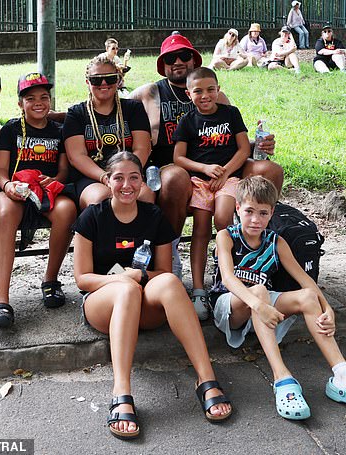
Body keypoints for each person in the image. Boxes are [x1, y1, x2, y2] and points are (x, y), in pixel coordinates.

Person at [73, 151, 232, 440]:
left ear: (143, 182)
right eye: (118, 178)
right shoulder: (92, 216)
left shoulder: (153, 216)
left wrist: (140, 276)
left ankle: (206, 378)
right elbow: (82, 279)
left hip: (143, 300)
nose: (127, 185)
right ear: (107, 181)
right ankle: (121, 392)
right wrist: (123, 278)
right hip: (103, 303)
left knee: (171, 282)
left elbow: (162, 270)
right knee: (125, 288)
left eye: (134, 178)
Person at [211, 176, 346, 420]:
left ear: (272, 213)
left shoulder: (276, 241)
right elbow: (229, 279)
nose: (255, 219)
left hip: (264, 312)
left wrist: (328, 308)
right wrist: (257, 304)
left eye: (263, 213)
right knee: (260, 291)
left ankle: (344, 377)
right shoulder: (226, 237)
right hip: (231, 307)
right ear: (237, 208)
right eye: (249, 211)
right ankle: (281, 377)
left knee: (306, 297)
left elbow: (306, 281)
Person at [129, 32, 282, 290]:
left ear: (196, 60)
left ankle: (257, 250)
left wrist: (259, 144)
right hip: (177, 172)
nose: (177, 61)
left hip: (223, 170)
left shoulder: (220, 100)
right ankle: (171, 251)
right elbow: (106, 106)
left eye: (184, 55)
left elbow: (229, 139)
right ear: (161, 64)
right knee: (175, 177)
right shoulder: (148, 94)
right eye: (170, 57)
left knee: (269, 170)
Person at [0, 73, 76, 328]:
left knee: (67, 210)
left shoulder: (58, 131)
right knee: (5, 212)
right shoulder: (11, 129)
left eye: (43, 97)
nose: (38, 103)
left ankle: (50, 281)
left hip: (46, 189)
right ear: (20, 104)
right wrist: (7, 186)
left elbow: (63, 169)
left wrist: (55, 180)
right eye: (30, 98)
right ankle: (1, 299)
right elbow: (0, 170)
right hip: (15, 189)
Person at [173, 67, 250, 321]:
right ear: (188, 94)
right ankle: (198, 289)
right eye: (198, 91)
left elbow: (242, 149)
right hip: (200, 182)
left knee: (224, 218)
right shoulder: (188, 121)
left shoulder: (231, 113)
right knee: (201, 227)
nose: (205, 95)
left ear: (218, 89)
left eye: (210, 89)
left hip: (228, 179)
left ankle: (225, 276)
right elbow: (179, 157)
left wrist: (225, 173)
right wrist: (205, 168)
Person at [63, 55, 152, 210]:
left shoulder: (133, 109)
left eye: (110, 78)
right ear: (87, 82)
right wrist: (105, 178)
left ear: (118, 81)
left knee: (144, 196)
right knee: (100, 200)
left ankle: (140, 235)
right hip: (91, 177)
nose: (104, 83)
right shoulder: (76, 114)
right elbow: (76, 156)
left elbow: (142, 148)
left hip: (129, 174)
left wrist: (124, 177)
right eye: (96, 80)